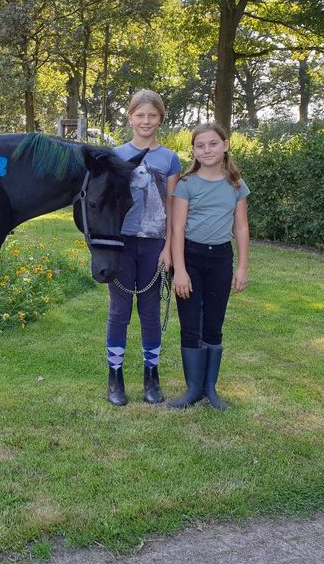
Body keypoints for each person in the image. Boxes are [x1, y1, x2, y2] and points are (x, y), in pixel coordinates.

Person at [105, 90, 182, 406]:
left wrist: (169, 248)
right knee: (119, 311)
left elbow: (173, 207)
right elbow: (105, 205)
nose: (146, 121)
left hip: (154, 244)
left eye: (152, 115)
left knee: (150, 312)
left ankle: (152, 377)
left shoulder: (170, 159)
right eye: (140, 115)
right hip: (122, 242)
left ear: (161, 118)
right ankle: (115, 378)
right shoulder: (115, 155)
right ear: (130, 117)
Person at [167, 123, 250, 410]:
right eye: (200, 146)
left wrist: (241, 267)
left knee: (213, 325)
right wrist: (180, 270)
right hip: (190, 257)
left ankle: (210, 390)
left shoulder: (236, 185)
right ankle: (192, 390)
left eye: (213, 144)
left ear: (225, 145)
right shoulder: (186, 185)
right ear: (193, 150)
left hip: (220, 260)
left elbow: (241, 228)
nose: (207, 150)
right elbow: (177, 229)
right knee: (191, 325)